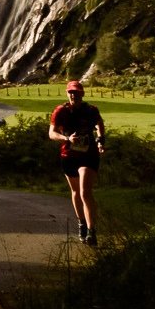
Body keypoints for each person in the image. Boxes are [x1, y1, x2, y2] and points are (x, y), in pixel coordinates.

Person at [49, 79, 106, 245]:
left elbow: (99, 123)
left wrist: (101, 139)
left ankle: (91, 230)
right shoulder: (60, 111)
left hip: (89, 155)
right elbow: (51, 133)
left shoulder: (91, 110)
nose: (73, 95)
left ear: (82, 93)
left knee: (85, 192)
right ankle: (81, 223)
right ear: (67, 94)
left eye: (77, 92)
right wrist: (67, 138)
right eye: (71, 92)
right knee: (75, 192)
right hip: (68, 155)